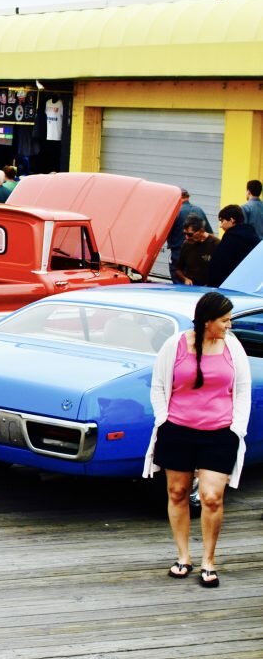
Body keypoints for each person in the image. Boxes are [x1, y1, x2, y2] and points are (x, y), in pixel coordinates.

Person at [144, 291, 250, 589]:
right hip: (178, 431)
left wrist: (237, 428)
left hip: (219, 434)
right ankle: (183, 556)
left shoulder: (233, 347)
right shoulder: (175, 344)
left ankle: (208, 560)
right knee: (177, 492)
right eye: (225, 320)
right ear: (207, 321)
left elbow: (242, 389)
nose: (229, 325)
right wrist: (163, 420)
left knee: (212, 497)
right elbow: (158, 385)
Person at [207, 205, 260, 287]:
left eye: (222, 221)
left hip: (228, 286)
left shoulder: (230, 238)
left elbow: (219, 264)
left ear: (232, 220)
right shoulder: (254, 237)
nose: (221, 225)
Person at [167, 190, 212, 284]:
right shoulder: (199, 210)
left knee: (179, 282)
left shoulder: (174, 212)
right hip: (198, 255)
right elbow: (209, 233)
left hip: (178, 253)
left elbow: (163, 234)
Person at [175, 214, 220, 286]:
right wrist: (185, 279)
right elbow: (178, 269)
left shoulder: (216, 244)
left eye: (190, 234)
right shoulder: (187, 244)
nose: (187, 237)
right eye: (184, 233)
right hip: (191, 286)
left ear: (201, 231)